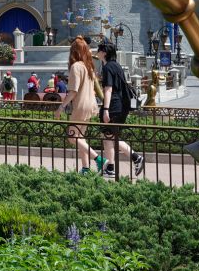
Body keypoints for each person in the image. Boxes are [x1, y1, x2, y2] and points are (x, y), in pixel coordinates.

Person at [96, 41, 145, 178]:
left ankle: (131, 159)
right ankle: (113, 166)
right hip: (121, 106)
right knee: (110, 137)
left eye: (99, 50)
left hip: (113, 106)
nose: (97, 52)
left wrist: (105, 109)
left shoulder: (107, 68)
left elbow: (109, 89)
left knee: (108, 137)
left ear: (104, 52)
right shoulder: (116, 66)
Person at [55, 37, 102, 174]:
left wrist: (60, 107)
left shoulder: (76, 67)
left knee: (72, 136)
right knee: (80, 137)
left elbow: (73, 92)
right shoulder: (89, 66)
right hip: (91, 105)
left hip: (81, 105)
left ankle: (99, 159)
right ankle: (85, 168)